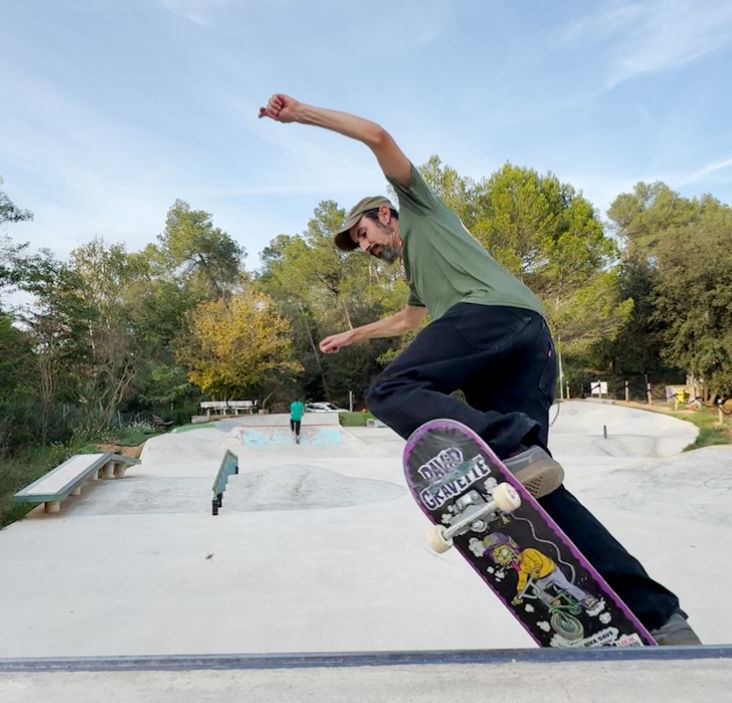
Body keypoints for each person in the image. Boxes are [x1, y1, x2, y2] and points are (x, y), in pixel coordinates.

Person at [259, 93, 699, 645]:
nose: (365, 246)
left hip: (492, 318)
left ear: (384, 215)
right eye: (357, 245)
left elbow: (376, 134)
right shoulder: (419, 271)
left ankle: (506, 445)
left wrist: (301, 115)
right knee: (536, 490)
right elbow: (408, 321)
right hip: (527, 341)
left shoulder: (418, 209)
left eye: (364, 234)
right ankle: (660, 615)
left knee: (391, 389)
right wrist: (355, 333)